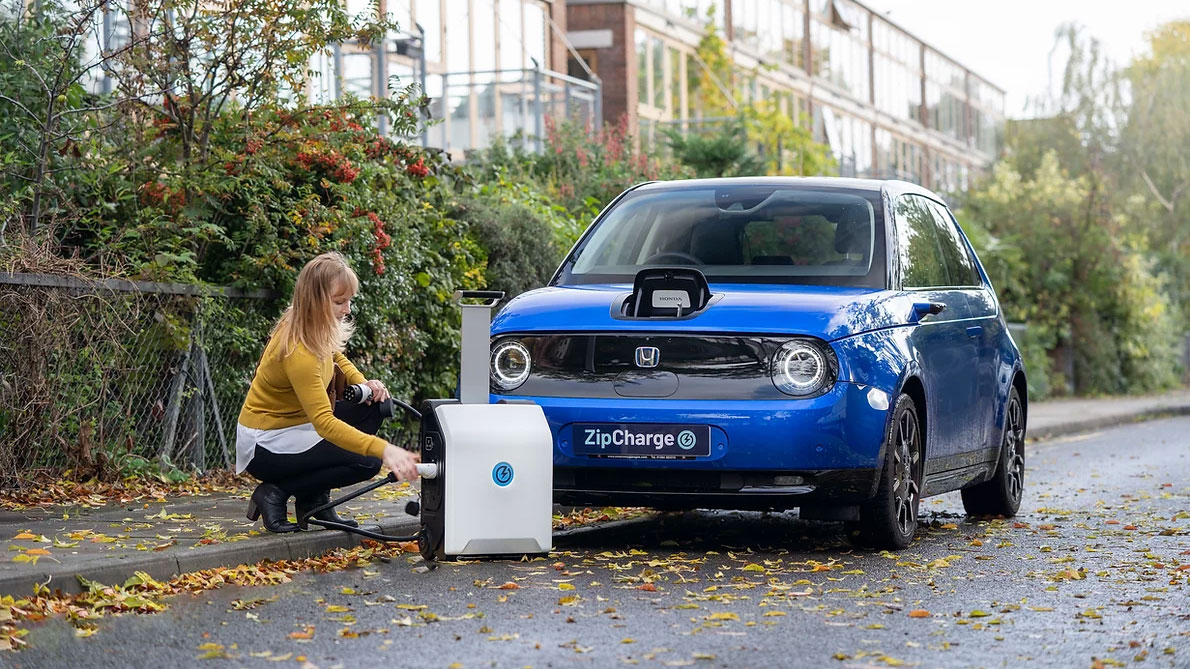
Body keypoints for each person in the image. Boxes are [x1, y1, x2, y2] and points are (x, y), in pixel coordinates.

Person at [235, 252, 419, 532]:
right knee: (367, 462)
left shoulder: (310, 325)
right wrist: (385, 450)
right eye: (339, 302)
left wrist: (365, 384)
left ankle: (313, 500)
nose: (347, 309)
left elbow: (336, 358)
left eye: (349, 301)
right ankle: (275, 493)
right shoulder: (299, 351)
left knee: (374, 406)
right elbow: (325, 424)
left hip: (297, 427)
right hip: (266, 443)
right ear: (315, 301)